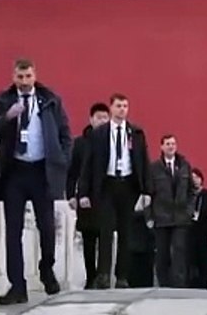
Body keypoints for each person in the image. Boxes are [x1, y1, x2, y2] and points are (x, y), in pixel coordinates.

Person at [0, 58, 72, 305]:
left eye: (28, 77)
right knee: (13, 230)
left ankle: (46, 268)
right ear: (14, 77)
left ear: (35, 76)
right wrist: (7, 117)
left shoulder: (50, 100)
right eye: (19, 77)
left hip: (42, 171)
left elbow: (65, 133)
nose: (23, 82)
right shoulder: (4, 100)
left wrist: (62, 160)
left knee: (47, 227)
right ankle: (17, 286)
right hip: (15, 172)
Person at [78, 92, 152, 289]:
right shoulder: (99, 133)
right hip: (106, 186)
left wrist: (147, 191)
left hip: (128, 185)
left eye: (125, 106)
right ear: (111, 108)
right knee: (106, 231)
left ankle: (122, 276)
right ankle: (103, 274)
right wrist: (83, 192)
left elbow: (143, 162)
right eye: (118, 106)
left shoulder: (135, 133)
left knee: (127, 233)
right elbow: (88, 163)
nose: (122, 110)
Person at [67, 101, 110, 287]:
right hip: (86, 198)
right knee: (89, 239)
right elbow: (72, 171)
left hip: (107, 197)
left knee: (106, 238)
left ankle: (104, 276)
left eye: (105, 118)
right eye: (98, 118)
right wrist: (70, 195)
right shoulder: (80, 143)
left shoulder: (113, 141)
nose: (102, 121)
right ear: (91, 119)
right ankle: (91, 276)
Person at [147, 134, 196, 287]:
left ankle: (179, 284)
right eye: (168, 144)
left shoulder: (184, 165)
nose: (171, 146)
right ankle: (164, 284)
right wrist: (149, 216)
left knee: (179, 250)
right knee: (162, 253)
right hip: (161, 216)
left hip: (181, 216)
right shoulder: (154, 168)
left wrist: (189, 210)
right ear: (161, 147)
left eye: (173, 143)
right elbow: (149, 193)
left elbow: (192, 191)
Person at [189, 168, 207, 289]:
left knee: (205, 259)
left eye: (197, 177)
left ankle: (205, 283)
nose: (195, 180)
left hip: (204, 232)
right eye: (192, 178)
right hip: (190, 231)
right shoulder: (187, 194)